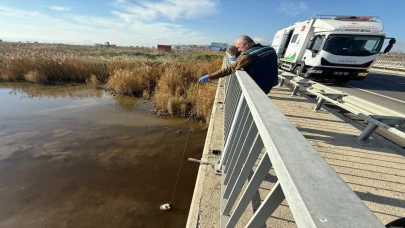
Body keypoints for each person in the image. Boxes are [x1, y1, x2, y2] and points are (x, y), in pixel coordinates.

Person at [199, 35, 278, 94]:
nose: (239, 50)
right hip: (270, 82)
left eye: (239, 47)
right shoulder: (270, 49)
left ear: (246, 44)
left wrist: (209, 77)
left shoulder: (247, 55)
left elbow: (229, 69)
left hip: (258, 87)